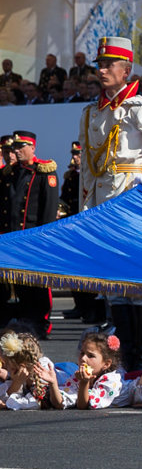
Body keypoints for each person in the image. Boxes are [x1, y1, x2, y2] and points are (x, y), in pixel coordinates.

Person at [80, 37, 142, 370]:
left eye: (109, 64)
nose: (103, 69)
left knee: (141, 285)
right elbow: (88, 169)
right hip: (104, 206)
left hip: (135, 202)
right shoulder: (90, 113)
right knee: (115, 285)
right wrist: (86, 212)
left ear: (126, 71)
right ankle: (125, 357)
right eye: (100, 64)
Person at [1, 131, 58, 336]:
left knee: (39, 284)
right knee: (21, 285)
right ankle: (27, 322)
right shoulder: (12, 173)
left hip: (34, 239)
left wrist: (45, 239)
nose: (16, 150)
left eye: (21, 146)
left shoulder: (44, 171)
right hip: (14, 239)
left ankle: (41, 323)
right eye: (15, 147)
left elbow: (49, 209)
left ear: (32, 148)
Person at [53, 331, 124, 410]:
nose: (83, 358)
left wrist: (84, 382)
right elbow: (62, 400)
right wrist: (52, 382)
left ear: (106, 364)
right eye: (82, 353)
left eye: (90, 356)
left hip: (135, 391)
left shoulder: (111, 380)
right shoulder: (79, 375)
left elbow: (83, 405)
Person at [0, 330, 57, 410]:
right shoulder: (16, 374)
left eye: (7, 364)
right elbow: (4, 395)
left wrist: (5, 405)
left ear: (21, 368)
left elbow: (37, 403)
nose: (5, 366)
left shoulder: (43, 371)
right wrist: (16, 383)